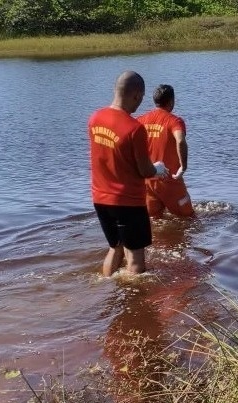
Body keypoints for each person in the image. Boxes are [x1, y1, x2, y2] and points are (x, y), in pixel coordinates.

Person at [89, 71, 168, 277]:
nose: (139, 104)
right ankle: (131, 305)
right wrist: (157, 169)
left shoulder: (95, 119)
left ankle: (106, 288)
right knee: (135, 262)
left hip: (100, 199)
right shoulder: (134, 129)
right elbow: (144, 170)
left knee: (115, 248)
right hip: (128, 203)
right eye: (140, 99)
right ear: (136, 95)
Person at [137, 84, 194, 218]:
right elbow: (180, 140)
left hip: (148, 180)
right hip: (170, 180)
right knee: (189, 219)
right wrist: (183, 167)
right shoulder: (174, 121)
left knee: (154, 220)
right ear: (171, 101)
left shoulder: (140, 120)